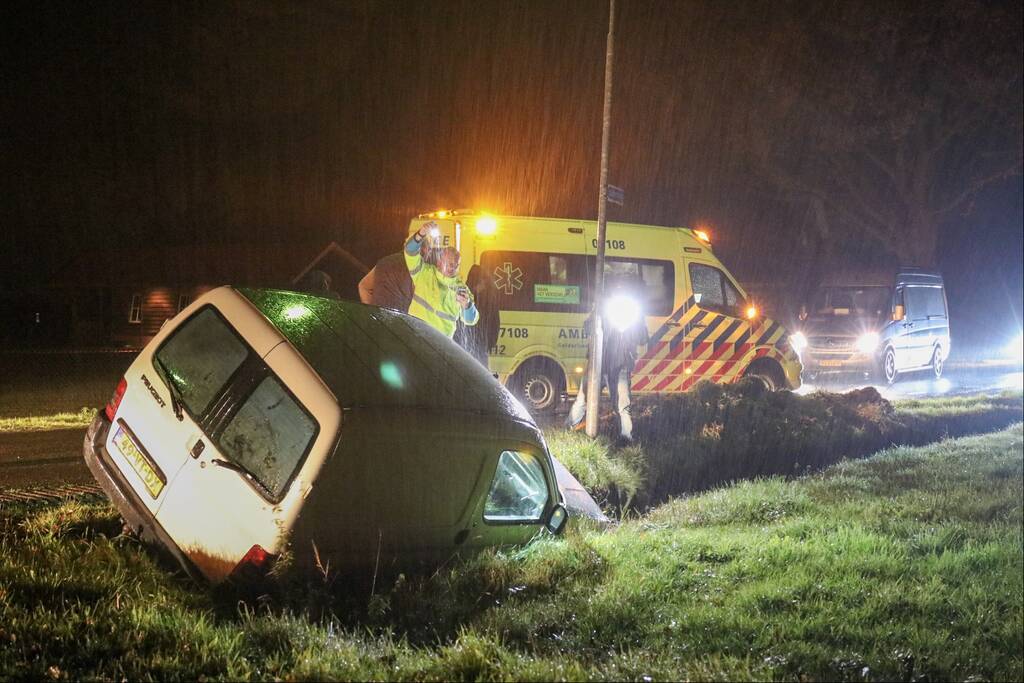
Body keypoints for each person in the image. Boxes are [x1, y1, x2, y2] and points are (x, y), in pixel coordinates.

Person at [567, 283, 649, 441]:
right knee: (583, 400)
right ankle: (568, 429)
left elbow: (643, 338)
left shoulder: (633, 313)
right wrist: (598, 315)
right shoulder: (602, 310)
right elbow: (587, 328)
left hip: (619, 366)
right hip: (598, 364)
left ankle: (626, 438)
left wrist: (636, 323)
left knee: (621, 406)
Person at [404, 221, 478, 338]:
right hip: (415, 337)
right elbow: (409, 251)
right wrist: (421, 233)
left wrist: (467, 305)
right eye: (448, 263)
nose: (452, 267)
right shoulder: (424, 273)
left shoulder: (461, 289)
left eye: (455, 264)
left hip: (439, 345)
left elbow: (471, 320)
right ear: (439, 261)